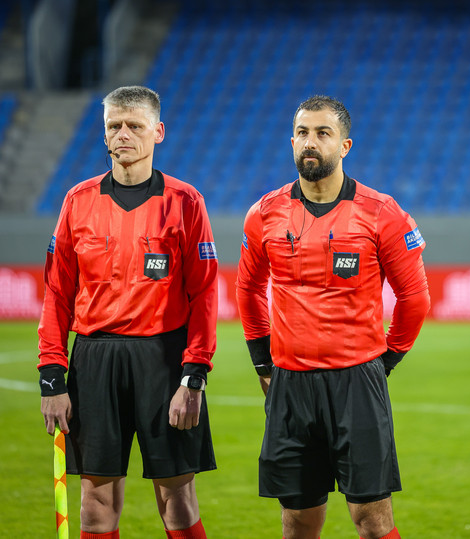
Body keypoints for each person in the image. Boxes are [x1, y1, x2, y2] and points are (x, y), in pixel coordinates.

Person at [236, 95, 430, 539]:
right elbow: (247, 290)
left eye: (323, 133)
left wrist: (387, 361)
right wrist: (262, 361)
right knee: (298, 521)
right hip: (290, 384)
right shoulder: (264, 213)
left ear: (344, 146)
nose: (311, 141)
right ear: (292, 142)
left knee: (373, 520)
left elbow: (415, 297)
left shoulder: (382, 212)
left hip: (357, 382)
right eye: (302, 132)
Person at [38, 86, 217, 539]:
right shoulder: (78, 200)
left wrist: (193, 376)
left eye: (134, 125)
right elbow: (57, 293)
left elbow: (204, 295)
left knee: (177, 499)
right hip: (94, 358)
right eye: (113, 126)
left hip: (163, 359)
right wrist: (52, 376)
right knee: (94, 505)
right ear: (103, 134)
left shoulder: (185, 201)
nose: (123, 134)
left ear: (158, 132)